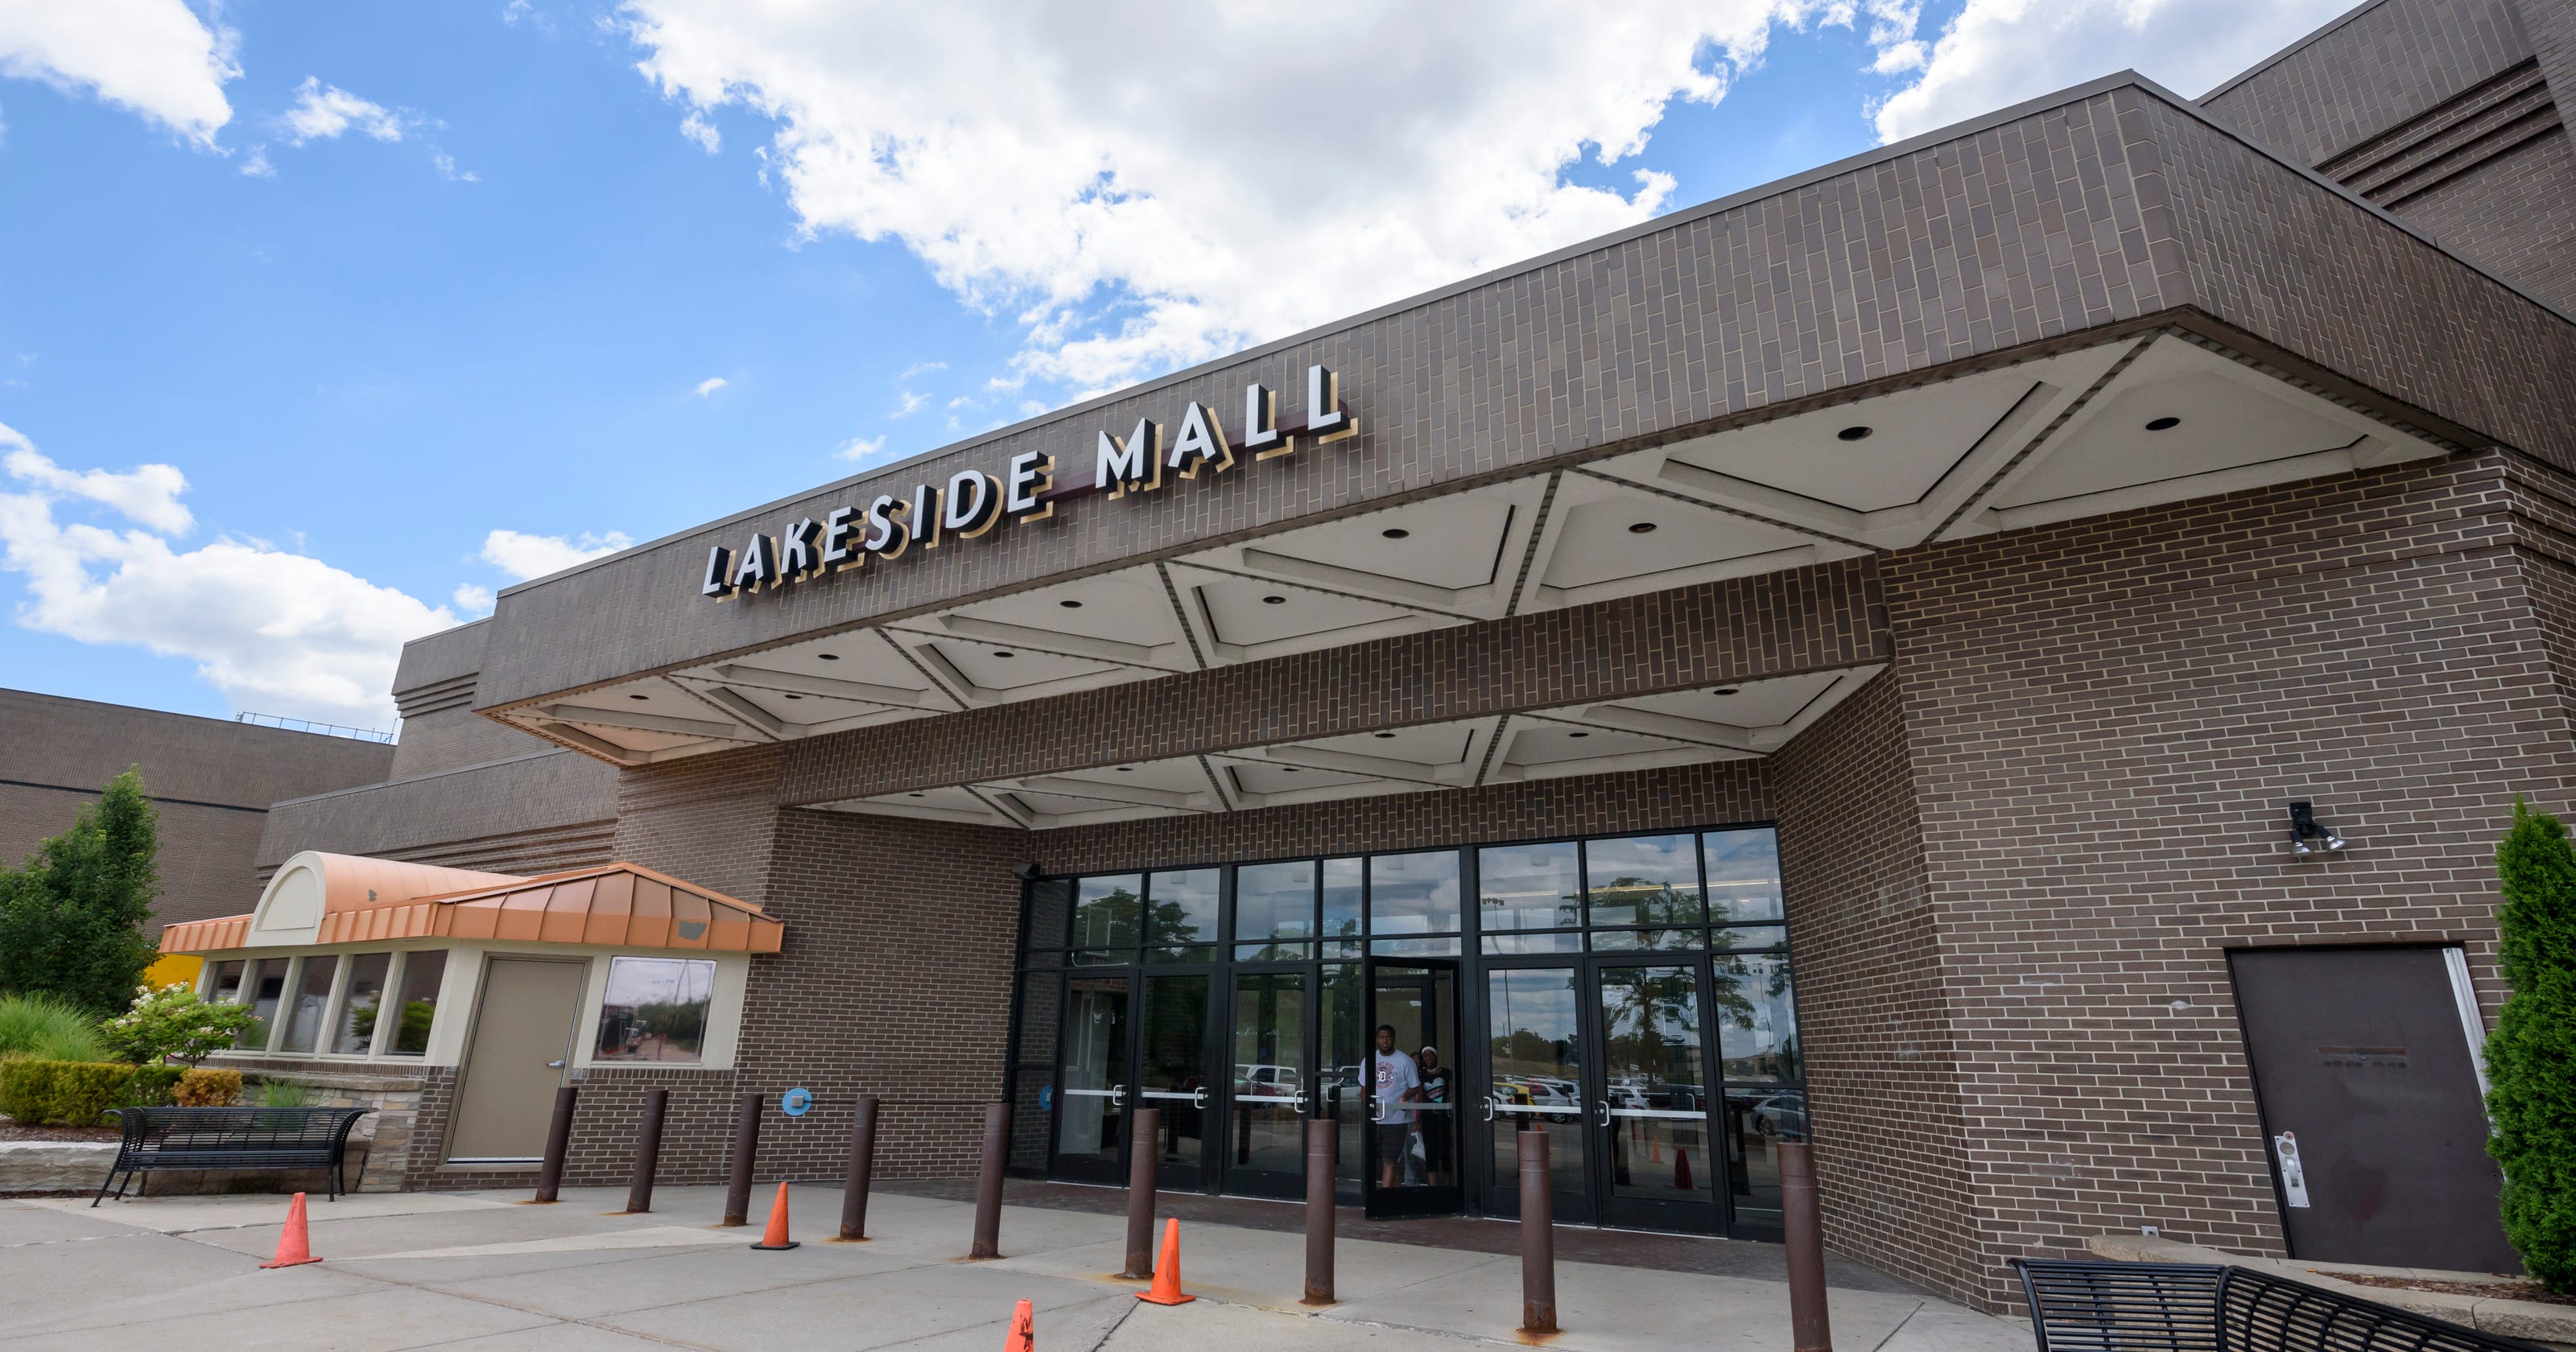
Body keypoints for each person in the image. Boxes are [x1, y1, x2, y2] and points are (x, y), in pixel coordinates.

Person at [1370, 1024, 1418, 1189]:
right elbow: (1363, 1089)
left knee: (1389, 1160)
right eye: (1382, 1037)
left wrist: (1404, 1097)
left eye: (1388, 1037)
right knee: (1381, 1160)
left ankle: (1383, 1199)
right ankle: (1393, 1195)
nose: (1385, 1041)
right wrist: (1370, 1106)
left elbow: (1415, 1086)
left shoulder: (1405, 1061)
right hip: (1375, 1119)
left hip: (1396, 1120)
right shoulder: (1369, 1060)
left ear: (1394, 1039)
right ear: (1377, 1039)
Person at [1415, 1045, 1453, 1185]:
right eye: (1425, 1056)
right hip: (1428, 1119)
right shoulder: (1422, 1076)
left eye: (1431, 1055)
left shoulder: (1446, 1073)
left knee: (1445, 1152)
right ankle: (1433, 1187)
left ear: (1436, 1056)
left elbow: (1451, 1094)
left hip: (1444, 1118)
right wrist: (1416, 1121)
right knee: (1430, 1152)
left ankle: (1449, 1185)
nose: (1428, 1058)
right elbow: (1419, 1098)